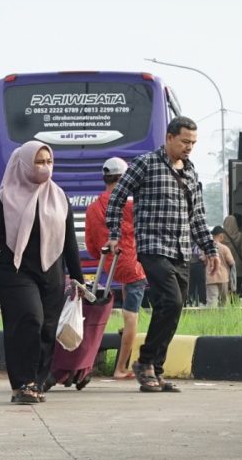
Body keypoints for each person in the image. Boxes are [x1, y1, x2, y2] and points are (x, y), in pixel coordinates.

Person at [105, 116, 218, 393]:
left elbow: (198, 217)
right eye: (184, 141)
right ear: (169, 138)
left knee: (174, 307)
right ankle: (144, 362)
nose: (189, 147)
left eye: (193, 143)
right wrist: (114, 233)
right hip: (153, 247)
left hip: (181, 249)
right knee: (171, 298)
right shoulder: (146, 163)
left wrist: (209, 249)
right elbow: (117, 197)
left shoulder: (191, 173)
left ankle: (156, 368)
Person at [0, 141, 84, 405]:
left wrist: (78, 278)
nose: (45, 167)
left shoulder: (59, 196)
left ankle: (38, 381)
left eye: (49, 162)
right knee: (30, 319)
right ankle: (22, 383)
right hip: (14, 271)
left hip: (51, 271)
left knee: (47, 327)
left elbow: (69, 240)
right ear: (24, 164)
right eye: (39, 162)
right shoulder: (4, 199)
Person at [83, 157, 147, 380]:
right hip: (133, 266)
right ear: (124, 179)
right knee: (131, 317)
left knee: (99, 312)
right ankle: (120, 368)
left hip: (109, 266)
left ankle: (85, 361)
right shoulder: (131, 206)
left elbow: (92, 247)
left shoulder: (92, 209)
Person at [207, 226, 236, 308]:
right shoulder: (225, 248)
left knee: (212, 300)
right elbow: (232, 263)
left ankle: (211, 318)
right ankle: (224, 318)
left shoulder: (206, 248)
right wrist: (233, 281)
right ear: (221, 236)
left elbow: (203, 260)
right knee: (224, 301)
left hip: (210, 278)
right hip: (223, 278)